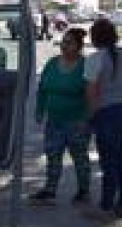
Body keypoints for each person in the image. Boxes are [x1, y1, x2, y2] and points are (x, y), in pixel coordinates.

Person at [84, 18, 122, 219]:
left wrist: (90, 119)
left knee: (109, 162)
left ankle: (106, 206)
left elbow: (91, 93)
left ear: (95, 37)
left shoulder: (94, 59)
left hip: (108, 113)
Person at [30, 27, 91, 204]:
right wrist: (40, 110)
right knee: (52, 156)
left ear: (79, 46)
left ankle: (83, 190)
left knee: (79, 157)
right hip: (54, 120)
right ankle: (50, 191)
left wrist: (87, 119)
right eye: (63, 42)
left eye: (69, 43)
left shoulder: (85, 65)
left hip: (76, 121)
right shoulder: (51, 63)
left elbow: (92, 94)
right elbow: (42, 89)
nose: (64, 46)